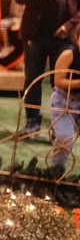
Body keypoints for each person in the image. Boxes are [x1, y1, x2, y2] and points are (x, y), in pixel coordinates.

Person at [14, 0, 80, 137]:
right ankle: (32, 121)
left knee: (58, 82)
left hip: (62, 37)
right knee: (32, 78)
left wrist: (68, 27)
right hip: (35, 34)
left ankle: (58, 125)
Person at [50, 23, 80, 169]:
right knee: (65, 139)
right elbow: (58, 80)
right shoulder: (69, 54)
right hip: (64, 101)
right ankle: (56, 172)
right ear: (77, 38)